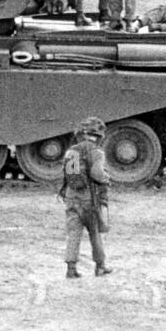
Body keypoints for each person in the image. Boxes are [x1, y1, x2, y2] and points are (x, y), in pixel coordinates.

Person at [61, 118, 111, 278]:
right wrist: (107, 178)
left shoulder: (71, 151)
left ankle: (71, 268)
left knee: (73, 232)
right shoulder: (96, 152)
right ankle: (100, 266)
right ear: (98, 135)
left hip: (71, 196)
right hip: (88, 198)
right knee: (94, 232)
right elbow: (97, 173)